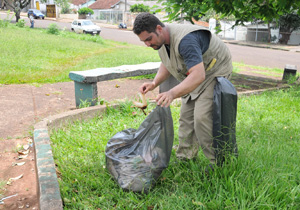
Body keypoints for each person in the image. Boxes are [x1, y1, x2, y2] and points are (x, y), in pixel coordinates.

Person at [133, 13, 233, 171]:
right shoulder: (161, 42)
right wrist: (153, 83)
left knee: (202, 118)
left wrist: (172, 93)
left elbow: (198, 75)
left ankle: (217, 163)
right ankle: (185, 156)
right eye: (143, 41)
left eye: (148, 39)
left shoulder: (186, 41)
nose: (147, 44)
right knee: (186, 118)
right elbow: (168, 62)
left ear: (159, 29)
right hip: (196, 73)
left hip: (214, 71)